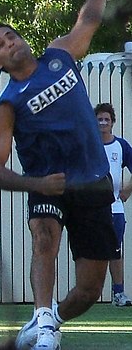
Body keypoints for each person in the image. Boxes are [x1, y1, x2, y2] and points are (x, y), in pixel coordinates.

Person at [0, 0, 119, 350]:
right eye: (0, 45)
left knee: (89, 291)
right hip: (49, 186)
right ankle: (45, 330)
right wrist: (36, 183)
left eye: (11, 36)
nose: (10, 43)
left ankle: (48, 321)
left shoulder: (60, 56)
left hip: (93, 184)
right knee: (44, 237)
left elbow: (89, 18)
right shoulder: (6, 107)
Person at [95, 103, 132, 306]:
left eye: (106, 119)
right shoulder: (89, 145)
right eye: (99, 119)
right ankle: (88, 294)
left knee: (114, 249)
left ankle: (118, 293)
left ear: (112, 122)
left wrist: (126, 191)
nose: (102, 123)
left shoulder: (121, 146)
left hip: (115, 208)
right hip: (91, 209)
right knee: (90, 251)